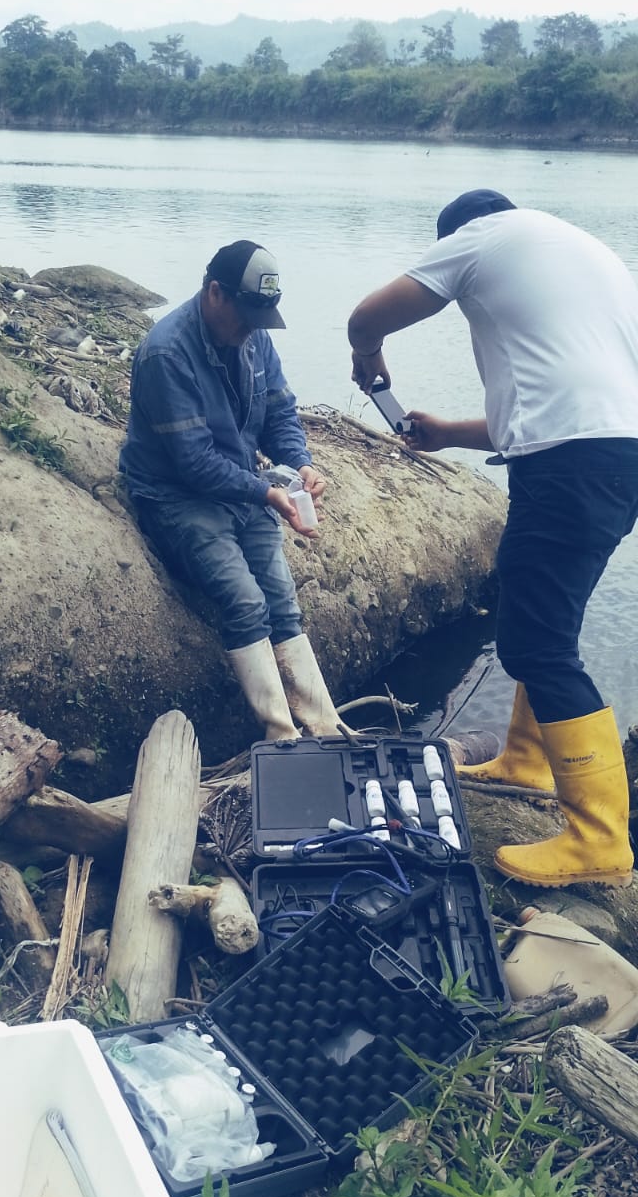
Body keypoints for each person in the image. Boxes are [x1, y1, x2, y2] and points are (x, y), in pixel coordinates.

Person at [347, 189, 638, 889]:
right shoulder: (582, 254)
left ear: (458, 235)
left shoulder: (480, 236)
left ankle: (599, 837)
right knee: (543, 617)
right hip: (610, 455)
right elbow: (557, 404)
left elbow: (367, 315)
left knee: (537, 644)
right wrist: (448, 433)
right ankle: (529, 762)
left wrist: (367, 352)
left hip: (570, 464)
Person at [120, 238, 341, 740]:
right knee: (246, 603)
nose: (251, 329)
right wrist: (266, 494)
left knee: (282, 602)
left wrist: (300, 465)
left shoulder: (254, 336)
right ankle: (281, 736)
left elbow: (280, 414)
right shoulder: (165, 353)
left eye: (260, 319)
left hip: (240, 487)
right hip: (177, 494)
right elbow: (194, 463)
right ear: (215, 292)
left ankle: (325, 729)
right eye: (245, 316)